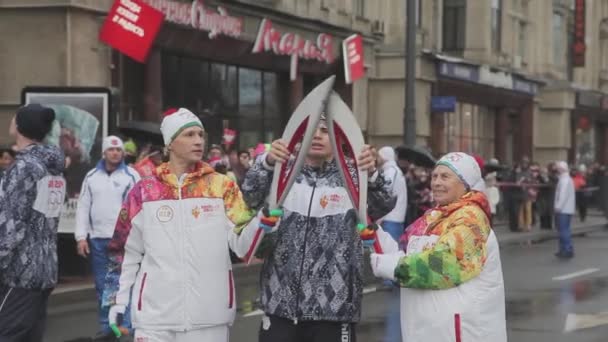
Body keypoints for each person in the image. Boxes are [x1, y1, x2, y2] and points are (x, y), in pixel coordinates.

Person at [103, 108, 274, 342]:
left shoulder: (221, 187)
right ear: (170, 143)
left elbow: (243, 245)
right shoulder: (144, 191)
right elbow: (122, 252)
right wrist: (116, 302)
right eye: (189, 135)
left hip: (209, 319)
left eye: (200, 135)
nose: (198, 141)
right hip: (154, 319)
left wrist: (261, 223)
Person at [241, 116, 396, 342]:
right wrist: (265, 162)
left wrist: (371, 173)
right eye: (310, 130)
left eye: (324, 131)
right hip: (280, 305)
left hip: (334, 309)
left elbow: (383, 204)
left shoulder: (353, 175)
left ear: (338, 139)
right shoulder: (283, 172)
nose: (316, 135)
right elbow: (249, 196)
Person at [370, 152, 507, 342]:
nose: (436, 182)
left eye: (445, 176)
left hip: (460, 333)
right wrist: (374, 233)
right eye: (434, 176)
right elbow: (404, 253)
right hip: (427, 330)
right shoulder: (432, 217)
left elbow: (444, 265)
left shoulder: (471, 220)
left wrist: (393, 268)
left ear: (465, 183)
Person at [0, 104, 66, 341]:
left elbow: (12, 225)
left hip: (20, 272)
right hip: (46, 267)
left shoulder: (24, 167)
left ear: (19, 125)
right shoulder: (53, 167)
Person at [74, 135, 140, 340]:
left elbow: (140, 207)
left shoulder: (131, 176)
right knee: (103, 285)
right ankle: (107, 327)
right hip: (98, 239)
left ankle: (126, 326)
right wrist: (81, 237)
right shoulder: (92, 176)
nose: (115, 153)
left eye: (118, 150)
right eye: (111, 150)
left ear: (123, 153)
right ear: (104, 152)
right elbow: (83, 208)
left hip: (124, 240)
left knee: (123, 284)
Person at [377, 146, 408, 242]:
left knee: (389, 251)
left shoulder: (391, 171)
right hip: (393, 218)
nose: (377, 159)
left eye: (378, 156)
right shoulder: (392, 170)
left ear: (384, 157)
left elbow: (384, 192)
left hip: (391, 218)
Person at [555, 161, 576, 258]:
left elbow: (562, 195)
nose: (557, 169)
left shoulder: (565, 180)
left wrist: (558, 206)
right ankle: (564, 249)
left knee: (563, 230)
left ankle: (567, 249)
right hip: (567, 209)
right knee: (564, 230)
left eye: (558, 168)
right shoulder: (566, 179)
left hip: (563, 209)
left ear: (562, 169)